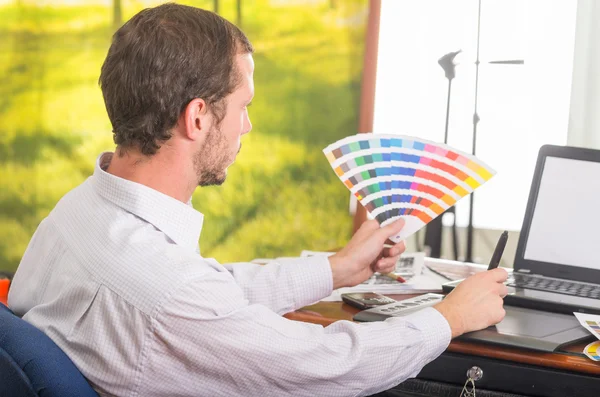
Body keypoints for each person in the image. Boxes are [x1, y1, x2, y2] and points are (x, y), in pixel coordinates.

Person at [8, 3, 508, 397]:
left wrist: (336, 270)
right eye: (243, 106)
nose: (247, 124)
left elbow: (210, 295)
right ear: (198, 117)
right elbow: (325, 367)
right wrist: (450, 317)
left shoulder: (79, 211)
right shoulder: (168, 293)